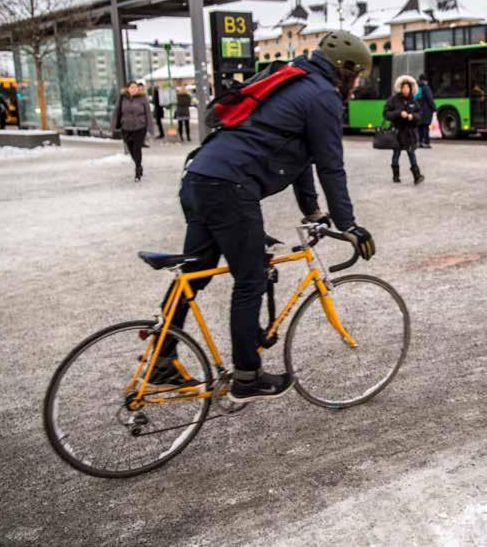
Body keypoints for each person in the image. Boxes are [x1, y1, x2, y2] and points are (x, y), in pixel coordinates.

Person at [152, 30, 376, 402]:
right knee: (251, 279)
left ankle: (161, 359)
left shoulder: (295, 79)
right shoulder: (323, 96)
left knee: (195, 274)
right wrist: (348, 224)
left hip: (200, 177)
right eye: (358, 76)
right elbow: (330, 166)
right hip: (230, 187)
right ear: (346, 70)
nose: (357, 83)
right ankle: (247, 376)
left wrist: (314, 211)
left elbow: (300, 156)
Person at [110, 80, 155, 181]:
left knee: (137, 148)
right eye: (132, 87)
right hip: (126, 127)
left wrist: (151, 128)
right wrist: (113, 126)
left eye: (135, 87)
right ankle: (138, 164)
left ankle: (138, 170)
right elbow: (117, 111)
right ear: (127, 89)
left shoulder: (143, 98)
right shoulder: (122, 98)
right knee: (130, 148)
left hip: (140, 127)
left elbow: (148, 113)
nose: (134, 89)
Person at [384, 75, 425, 184]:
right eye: (404, 87)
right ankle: (396, 176)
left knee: (411, 153)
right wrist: (398, 113)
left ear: (411, 89)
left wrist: (413, 117)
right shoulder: (393, 100)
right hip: (397, 132)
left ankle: (417, 176)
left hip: (409, 133)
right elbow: (386, 114)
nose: (406, 89)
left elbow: (419, 115)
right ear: (400, 88)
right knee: (396, 154)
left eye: (408, 87)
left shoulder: (414, 101)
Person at [416, 73, 437, 149]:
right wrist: (434, 108)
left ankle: (420, 142)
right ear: (425, 80)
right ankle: (426, 142)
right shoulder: (426, 88)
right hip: (426, 110)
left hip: (418, 110)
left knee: (420, 126)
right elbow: (430, 99)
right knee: (426, 126)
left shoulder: (417, 87)